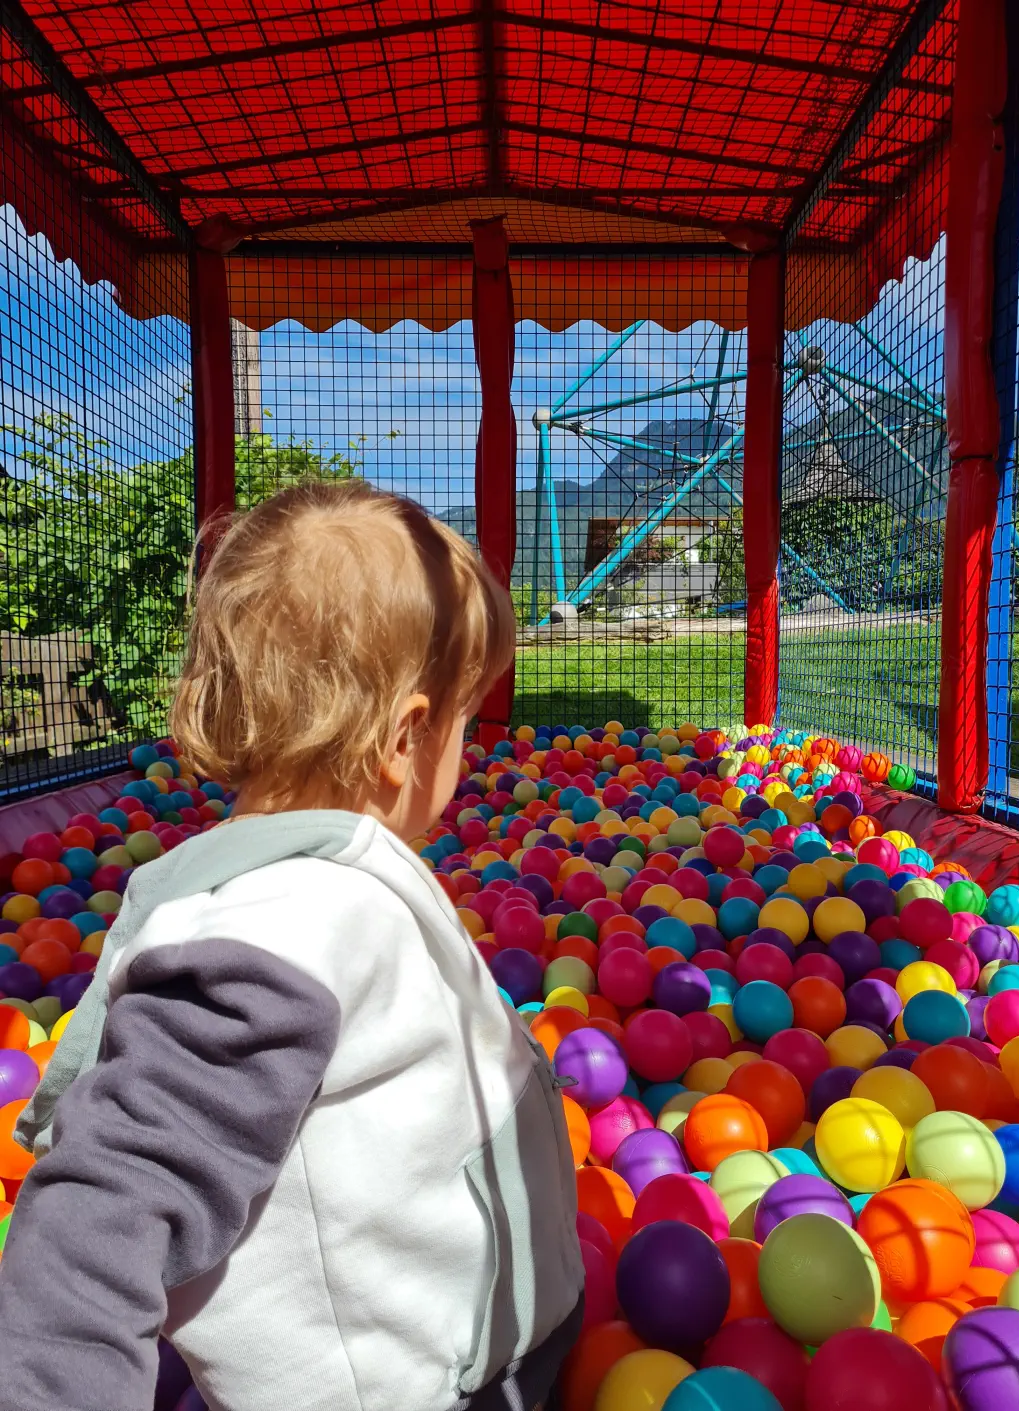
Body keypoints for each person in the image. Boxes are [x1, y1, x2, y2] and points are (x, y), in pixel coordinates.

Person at [0, 481, 583, 1411]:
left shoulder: (319, 888)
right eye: (468, 721)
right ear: (406, 738)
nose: (470, 752)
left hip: (480, 1351)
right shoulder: (277, 932)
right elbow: (94, 1222)